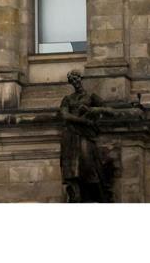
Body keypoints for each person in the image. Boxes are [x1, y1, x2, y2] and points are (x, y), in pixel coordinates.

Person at [58, 70, 115, 202]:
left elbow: (110, 110)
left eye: (76, 78)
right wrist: (83, 120)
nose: (75, 82)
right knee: (72, 169)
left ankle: (97, 194)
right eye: (72, 80)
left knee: (88, 165)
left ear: (80, 78)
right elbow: (65, 115)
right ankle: (76, 194)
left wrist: (91, 109)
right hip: (71, 135)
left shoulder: (91, 97)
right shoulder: (68, 99)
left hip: (86, 135)